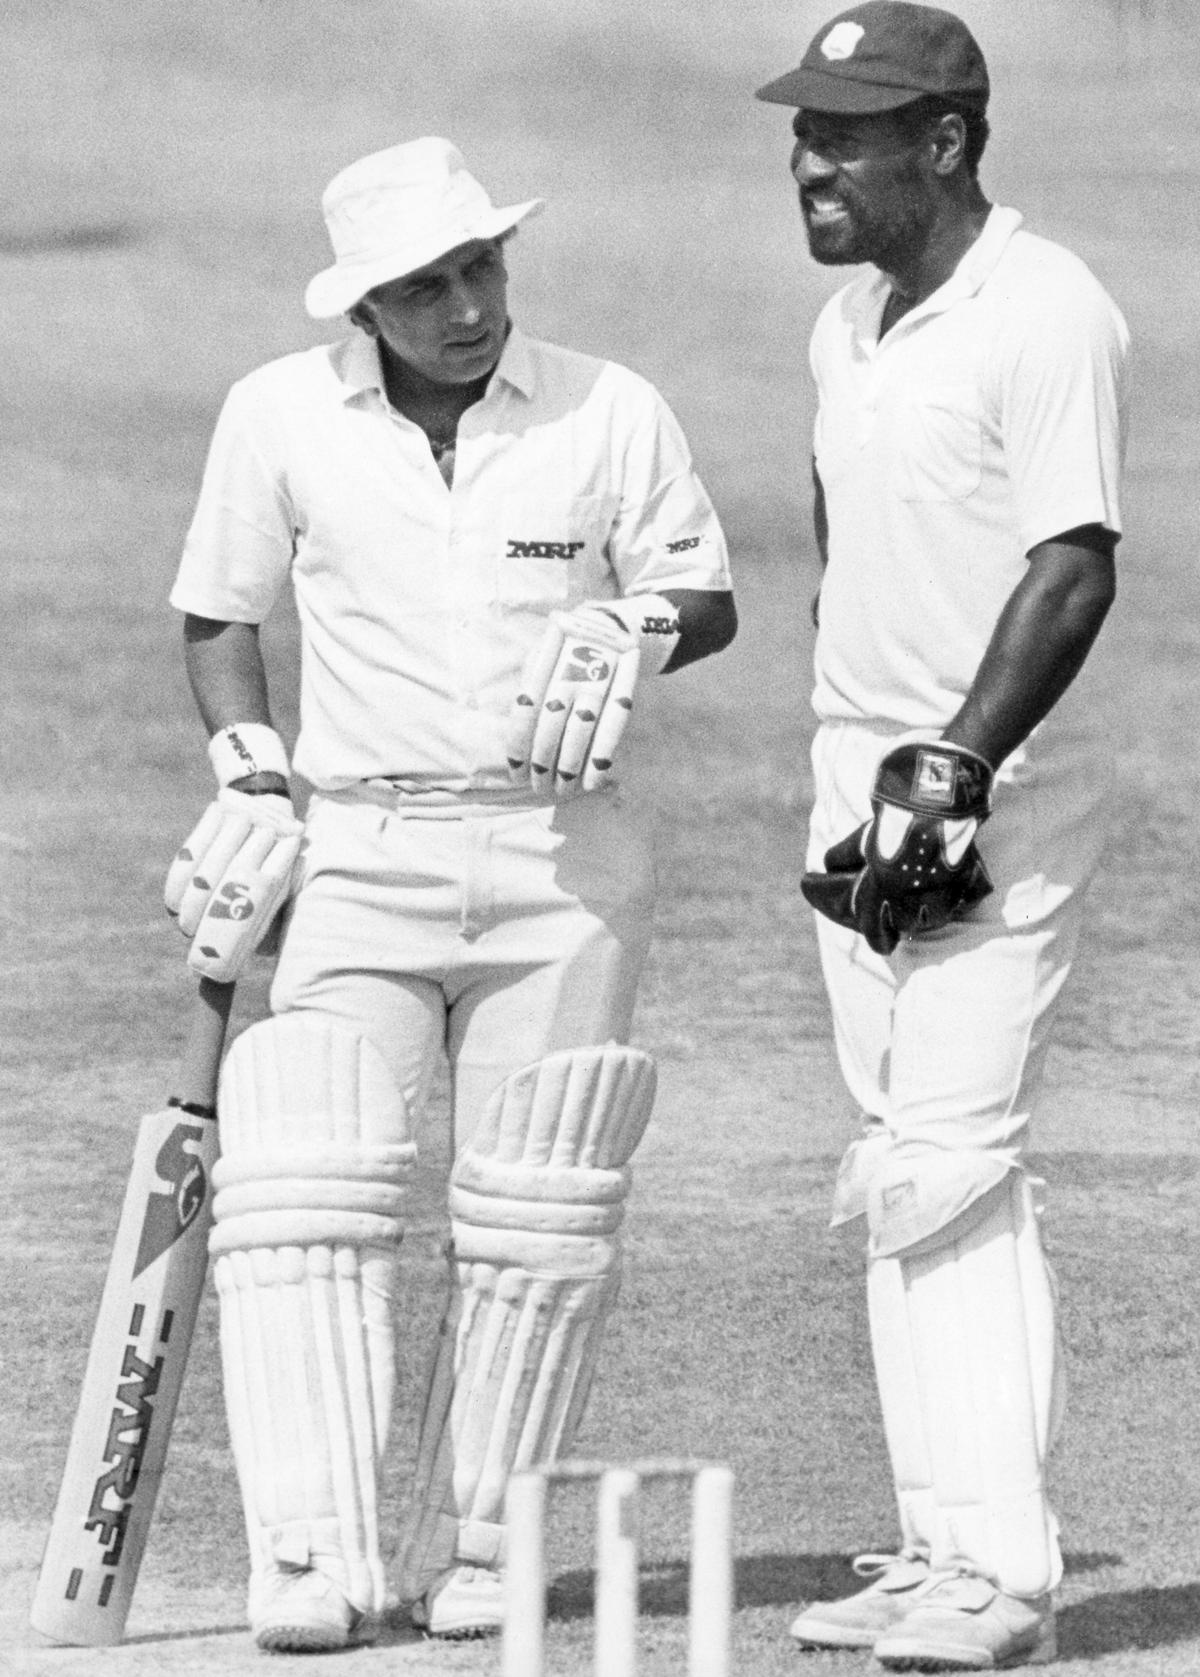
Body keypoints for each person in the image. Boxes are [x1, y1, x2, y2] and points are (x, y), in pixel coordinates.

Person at [165, 135, 736, 1652]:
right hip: (357, 848)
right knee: (307, 1196)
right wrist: (249, 768)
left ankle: (492, 1543)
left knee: (536, 1213)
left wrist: (636, 625)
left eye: (482, 269)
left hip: (564, 859)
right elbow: (220, 612)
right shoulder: (278, 413)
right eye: (427, 289)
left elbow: (705, 586)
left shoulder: (609, 406)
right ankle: (314, 1551)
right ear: (367, 306)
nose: (469, 307)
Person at [756, 4, 1129, 1669]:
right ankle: (936, 1547)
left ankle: (1006, 1575)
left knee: (949, 1158)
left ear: (951, 143)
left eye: (846, 137)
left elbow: (1072, 565)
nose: (810, 165)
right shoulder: (853, 327)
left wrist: (957, 758)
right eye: (805, 134)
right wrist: (860, 764)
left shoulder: (1045, 312)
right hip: (863, 782)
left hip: (997, 790)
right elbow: (848, 546)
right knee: (897, 1155)